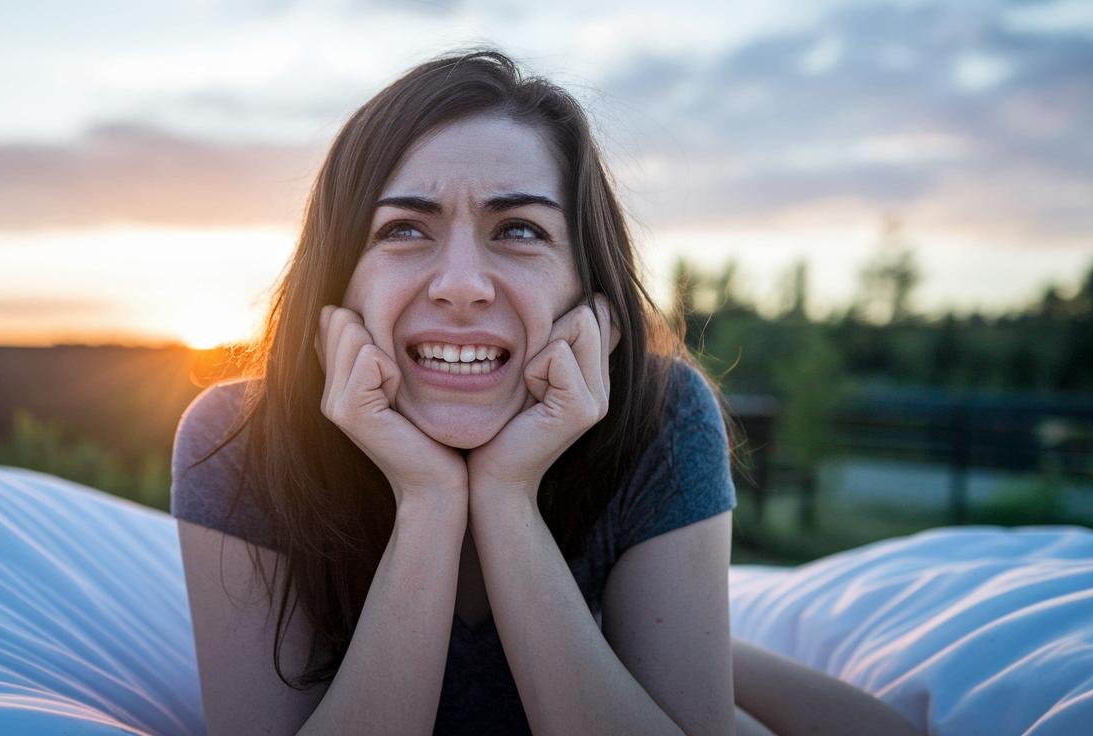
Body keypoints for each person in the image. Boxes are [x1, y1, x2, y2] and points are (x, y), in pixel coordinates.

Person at [171, 48, 921, 736]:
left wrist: (506, 494)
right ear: (337, 281)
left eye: (520, 230)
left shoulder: (662, 417)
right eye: (403, 230)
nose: (461, 285)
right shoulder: (238, 441)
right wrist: (429, 500)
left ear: (586, 289)